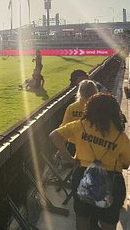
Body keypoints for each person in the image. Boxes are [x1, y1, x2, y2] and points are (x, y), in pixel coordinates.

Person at [49, 93, 130, 229]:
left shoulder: (80, 126)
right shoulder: (120, 137)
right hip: (111, 180)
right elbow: (126, 164)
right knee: (108, 221)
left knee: (82, 217)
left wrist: (70, 159)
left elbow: (54, 135)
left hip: (82, 175)